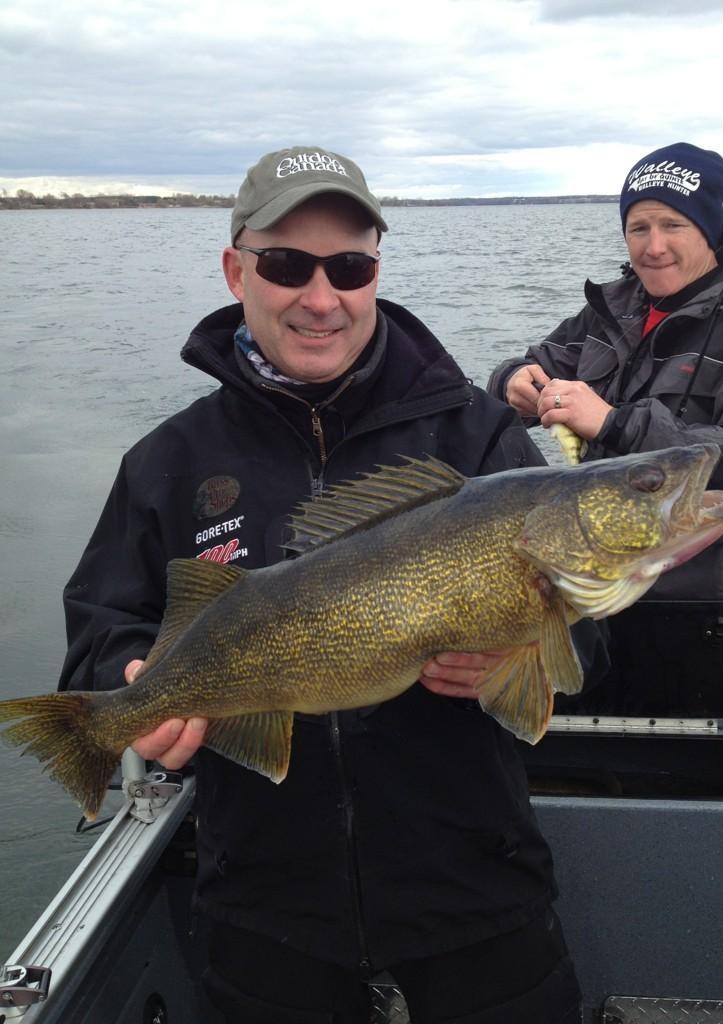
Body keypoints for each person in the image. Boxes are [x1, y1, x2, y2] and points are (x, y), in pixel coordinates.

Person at [58, 146, 589, 1023]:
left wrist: (523, 645)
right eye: (285, 264)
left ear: (376, 270)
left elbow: (586, 631)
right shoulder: (169, 461)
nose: (320, 296)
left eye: (349, 266)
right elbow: (103, 621)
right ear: (236, 270)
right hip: (267, 926)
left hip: (479, 903)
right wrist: (123, 681)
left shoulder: (478, 436)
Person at [488, 142, 723, 640]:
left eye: (673, 225)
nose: (653, 246)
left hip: (708, 602)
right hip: (597, 579)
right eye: (639, 228)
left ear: (707, 228)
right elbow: (538, 364)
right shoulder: (614, 305)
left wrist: (616, 423)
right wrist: (513, 379)